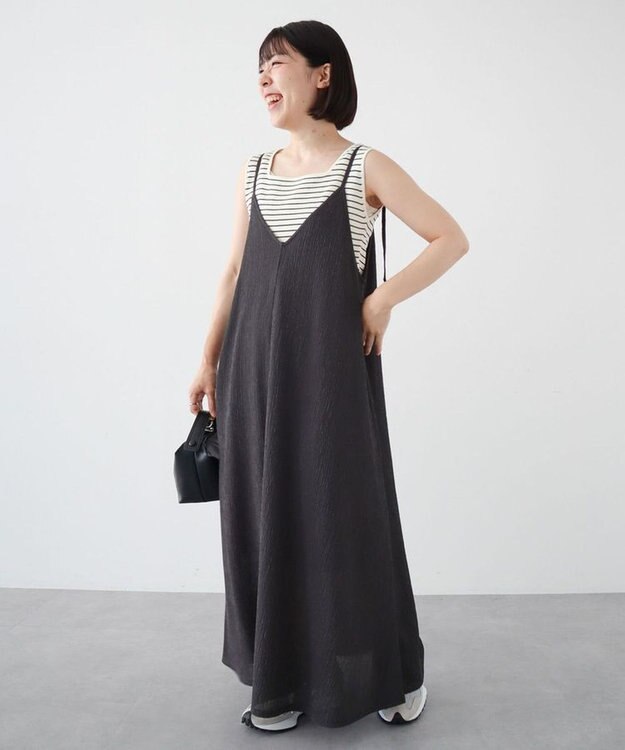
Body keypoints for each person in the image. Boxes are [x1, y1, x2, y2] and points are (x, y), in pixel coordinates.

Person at [188, 20, 469, 732]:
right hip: (251, 373)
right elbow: (232, 273)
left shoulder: (362, 167)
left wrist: (380, 298)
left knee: (346, 519)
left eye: (277, 62)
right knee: (262, 520)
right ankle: (279, 682)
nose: (263, 76)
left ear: (322, 75)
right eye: (258, 66)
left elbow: (450, 238)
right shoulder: (253, 170)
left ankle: (392, 675)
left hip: (329, 377)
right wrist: (206, 359)